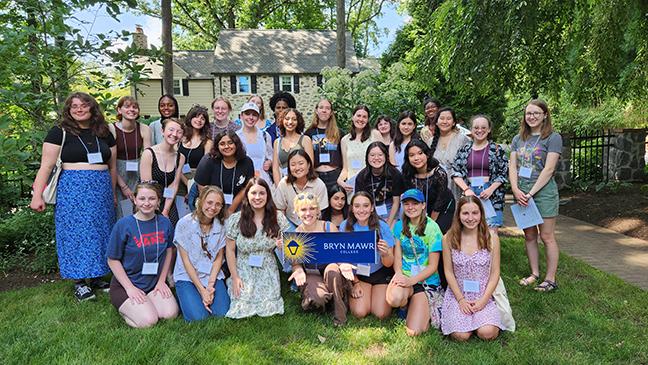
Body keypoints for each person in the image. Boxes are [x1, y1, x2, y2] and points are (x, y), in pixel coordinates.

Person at [30, 92, 117, 301]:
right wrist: (37, 195)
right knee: (75, 233)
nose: (79, 109)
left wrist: (112, 193)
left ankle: (97, 277)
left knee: (100, 231)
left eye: (83, 105)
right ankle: (79, 281)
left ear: (92, 108)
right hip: (73, 190)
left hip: (101, 189)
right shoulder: (58, 132)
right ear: (68, 110)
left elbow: (112, 166)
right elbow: (46, 166)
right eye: (74, 106)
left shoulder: (104, 132)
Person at [107, 182, 179, 328]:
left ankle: (146, 303)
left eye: (152, 199)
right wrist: (129, 288)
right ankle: (128, 310)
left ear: (159, 201)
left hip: (153, 283)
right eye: (142, 198)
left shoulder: (165, 223)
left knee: (170, 314)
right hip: (126, 285)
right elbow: (112, 260)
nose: (147, 203)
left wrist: (161, 281)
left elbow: (169, 250)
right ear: (135, 199)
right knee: (148, 321)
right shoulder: (123, 225)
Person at [509, 99, 562, 292]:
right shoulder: (518, 139)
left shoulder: (553, 137)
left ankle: (550, 279)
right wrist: (515, 189)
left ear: (545, 115)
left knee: (547, 236)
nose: (531, 117)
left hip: (543, 194)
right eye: (528, 113)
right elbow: (512, 167)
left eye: (536, 113)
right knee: (530, 235)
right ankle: (534, 274)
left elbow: (548, 170)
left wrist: (531, 193)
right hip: (521, 193)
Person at [225, 178, 290, 318]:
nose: (258, 197)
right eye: (253, 193)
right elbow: (229, 250)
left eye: (262, 193)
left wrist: (281, 246)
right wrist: (235, 277)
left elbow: (288, 247)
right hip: (243, 267)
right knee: (241, 304)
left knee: (270, 306)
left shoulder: (277, 218)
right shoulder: (236, 219)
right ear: (247, 195)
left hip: (267, 267)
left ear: (268, 195)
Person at [441, 196, 504, 341]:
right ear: (458, 215)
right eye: (465, 213)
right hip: (458, 293)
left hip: (484, 293)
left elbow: (495, 273)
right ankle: (466, 323)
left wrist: (484, 300)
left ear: (481, 214)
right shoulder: (448, 238)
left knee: (487, 333)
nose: (470, 218)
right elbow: (449, 272)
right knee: (460, 336)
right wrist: (461, 300)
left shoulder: (492, 238)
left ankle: (481, 322)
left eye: (475, 213)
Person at [288, 192, 354, 326]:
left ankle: (340, 316)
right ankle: (325, 298)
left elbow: (340, 253)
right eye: (303, 209)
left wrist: (343, 264)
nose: (308, 213)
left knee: (332, 271)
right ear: (297, 213)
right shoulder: (295, 235)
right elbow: (296, 264)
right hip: (312, 272)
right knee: (318, 299)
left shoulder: (328, 227)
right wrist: (298, 270)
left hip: (331, 269)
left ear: (318, 210)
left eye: (312, 208)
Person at [386, 189, 443, 336]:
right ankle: (404, 305)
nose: (410, 207)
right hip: (405, 276)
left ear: (423, 205)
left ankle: (416, 303)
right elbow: (397, 257)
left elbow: (433, 266)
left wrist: (411, 281)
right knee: (394, 298)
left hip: (425, 282)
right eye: (406, 204)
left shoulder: (433, 228)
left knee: (414, 332)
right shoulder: (399, 226)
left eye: (415, 203)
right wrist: (398, 274)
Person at [174, 186, 230, 321]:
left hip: (211, 274)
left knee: (222, 313)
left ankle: (195, 298)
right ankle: (186, 294)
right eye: (209, 202)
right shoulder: (184, 224)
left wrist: (210, 286)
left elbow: (218, 258)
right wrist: (202, 291)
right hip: (188, 275)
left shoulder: (222, 226)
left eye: (218, 204)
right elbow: (186, 262)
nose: (213, 208)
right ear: (200, 202)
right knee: (199, 318)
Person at [341, 192, 395, 320]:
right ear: (352, 208)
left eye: (365, 206)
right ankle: (356, 292)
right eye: (357, 206)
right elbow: (343, 259)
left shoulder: (382, 227)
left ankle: (379, 294)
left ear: (371, 208)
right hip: (359, 275)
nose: (361, 210)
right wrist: (355, 282)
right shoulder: (345, 226)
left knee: (381, 314)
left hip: (380, 271)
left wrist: (385, 253)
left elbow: (389, 263)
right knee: (359, 312)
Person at [451, 115, 508, 235]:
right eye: (476, 127)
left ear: (489, 130)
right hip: (470, 193)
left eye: (483, 127)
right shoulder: (464, 150)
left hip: (491, 195)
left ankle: (492, 254)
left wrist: (491, 189)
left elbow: (503, 173)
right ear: (471, 130)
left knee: (491, 234)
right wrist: (466, 190)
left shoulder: (497, 149)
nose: (479, 130)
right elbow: (456, 172)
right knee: (470, 232)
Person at [109, 96, 152, 219]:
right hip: (117, 173)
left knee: (139, 208)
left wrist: (143, 184)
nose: (132, 109)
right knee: (122, 213)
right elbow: (110, 163)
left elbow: (148, 156)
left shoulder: (144, 129)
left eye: (135, 107)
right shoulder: (111, 129)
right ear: (119, 110)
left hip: (139, 170)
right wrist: (123, 186)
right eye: (127, 106)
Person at [194, 131, 254, 215]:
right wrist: (215, 209)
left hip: (236, 203)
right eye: (222, 144)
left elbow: (245, 188)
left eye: (230, 143)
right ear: (217, 147)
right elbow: (202, 188)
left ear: (236, 144)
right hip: (209, 203)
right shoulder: (208, 160)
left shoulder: (246, 162)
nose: (226, 146)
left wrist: (231, 209)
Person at [402, 139, 455, 234]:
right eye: (412, 155)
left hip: (442, 207)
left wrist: (429, 224)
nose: (416, 158)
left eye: (420, 153)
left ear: (427, 154)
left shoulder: (439, 173)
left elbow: (439, 203)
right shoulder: (407, 174)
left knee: (434, 231)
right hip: (420, 207)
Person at [140, 118, 186, 227]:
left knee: (171, 229)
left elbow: (174, 184)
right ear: (162, 131)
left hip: (168, 202)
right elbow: (147, 186)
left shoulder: (180, 157)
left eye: (179, 132)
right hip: (148, 201)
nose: (174, 134)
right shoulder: (149, 153)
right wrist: (156, 210)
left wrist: (165, 210)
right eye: (171, 130)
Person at [354, 141, 404, 227]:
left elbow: (396, 202)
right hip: (370, 210)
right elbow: (360, 201)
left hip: (391, 209)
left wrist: (388, 224)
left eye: (380, 155)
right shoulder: (362, 176)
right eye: (372, 155)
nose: (376, 158)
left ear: (386, 156)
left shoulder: (395, 174)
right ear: (367, 157)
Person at [274, 149, 328, 226]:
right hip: (290, 226)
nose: (297, 168)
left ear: (309, 165)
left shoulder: (319, 184)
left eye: (301, 163)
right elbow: (280, 210)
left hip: (313, 225)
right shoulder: (284, 184)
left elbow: (321, 212)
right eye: (293, 165)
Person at [337, 105, 382, 194]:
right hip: (352, 185)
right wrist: (340, 181)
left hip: (372, 182)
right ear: (353, 117)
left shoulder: (375, 135)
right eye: (358, 115)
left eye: (364, 117)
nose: (361, 119)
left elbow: (383, 160)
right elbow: (346, 169)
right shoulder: (345, 140)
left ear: (368, 120)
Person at [429, 107, 470, 201]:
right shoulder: (430, 141)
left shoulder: (462, 139)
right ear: (436, 121)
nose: (445, 121)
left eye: (448, 118)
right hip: (436, 185)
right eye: (442, 118)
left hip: (457, 184)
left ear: (454, 122)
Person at [180, 105, 213, 211]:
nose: (199, 120)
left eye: (203, 118)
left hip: (198, 181)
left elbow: (205, 167)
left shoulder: (207, 142)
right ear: (190, 118)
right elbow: (174, 162)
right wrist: (186, 182)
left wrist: (191, 185)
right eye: (196, 117)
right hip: (179, 178)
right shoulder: (181, 138)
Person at [305, 99, 343, 190]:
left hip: (335, 176)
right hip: (316, 176)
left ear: (331, 112)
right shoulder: (309, 133)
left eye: (327, 108)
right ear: (316, 111)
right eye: (321, 107)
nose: (324, 110)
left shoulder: (339, 133)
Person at [272, 108, 314, 184]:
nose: (290, 122)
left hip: (302, 183)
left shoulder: (305, 140)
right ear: (282, 121)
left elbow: (310, 165)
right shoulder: (277, 142)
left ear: (298, 122)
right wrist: (280, 189)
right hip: (283, 183)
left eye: (294, 119)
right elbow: (275, 169)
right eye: (287, 119)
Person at [236, 102, 273, 184]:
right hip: (242, 180)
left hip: (262, 179)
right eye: (247, 114)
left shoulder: (265, 136)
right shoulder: (236, 137)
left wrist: (269, 162)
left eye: (254, 115)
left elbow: (271, 155)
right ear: (241, 116)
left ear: (258, 117)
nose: (251, 117)